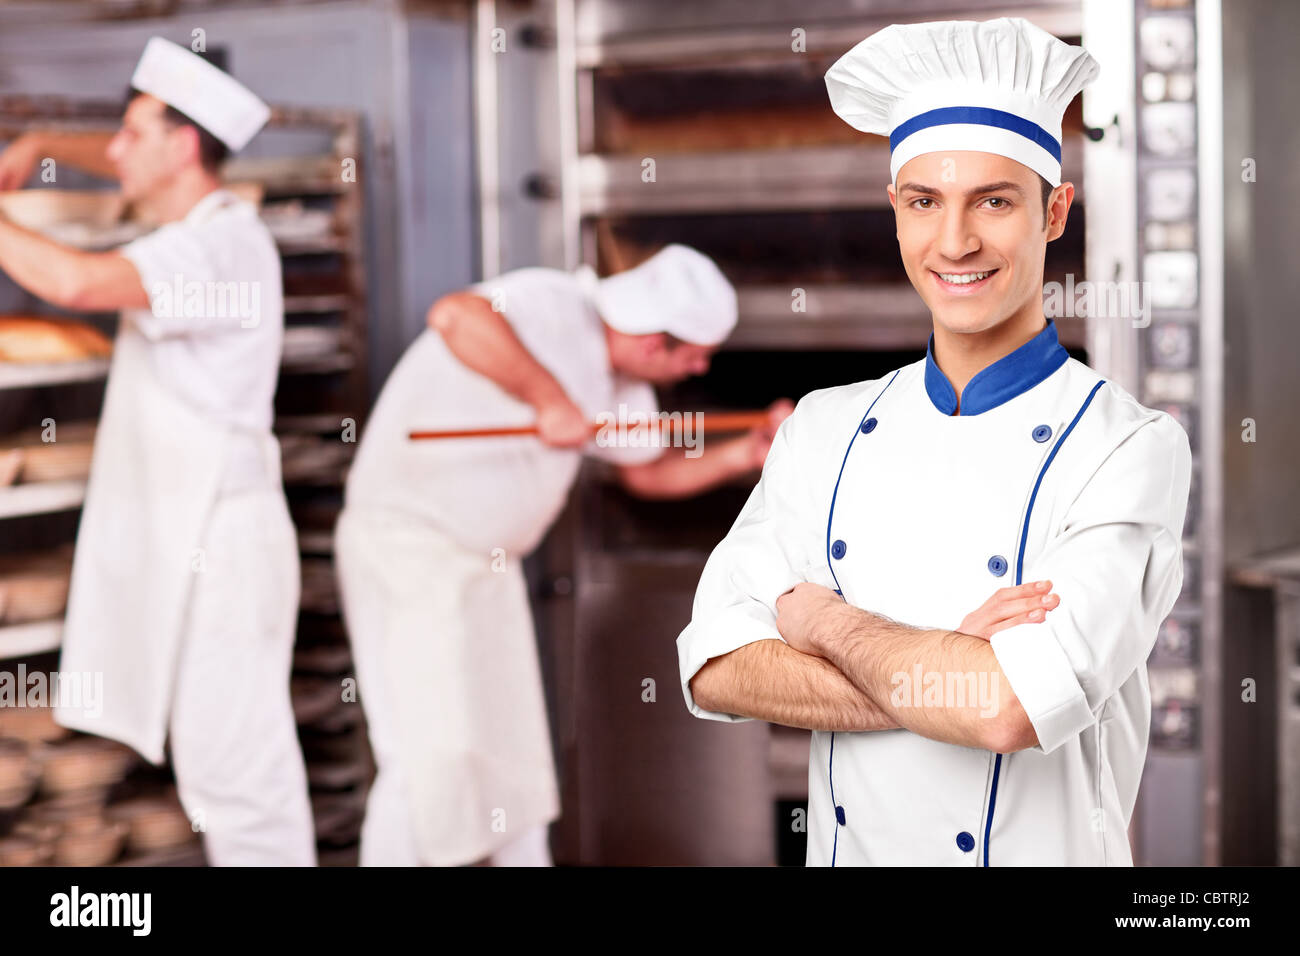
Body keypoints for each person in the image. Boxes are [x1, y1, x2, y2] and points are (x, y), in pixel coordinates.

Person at [677, 17, 1192, 866]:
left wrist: (820, 619)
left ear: (1055, 211)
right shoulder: (824, 428)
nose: (954, 243)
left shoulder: (1128, 449)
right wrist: (949, 655)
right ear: (895, 213)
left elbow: (1006, 711)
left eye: (993, 200)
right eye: (925, 202)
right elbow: (715, 669)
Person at [335, 244, 791, 866]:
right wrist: (548, 397)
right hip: (411, 550)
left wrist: (742, 456)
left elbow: (649, 472)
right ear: (656, 342)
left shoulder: (625, 388)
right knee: (430, 755)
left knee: (511, 756)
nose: (699, 367)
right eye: (695, 353)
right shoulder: (554, 305)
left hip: (483, 571)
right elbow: (456, 316)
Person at [0, 37, 314, 865]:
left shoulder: (217, 250)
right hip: (202, 535)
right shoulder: (206, 222)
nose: (109, 154)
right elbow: (121, 165)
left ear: (182, 146)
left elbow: (73, 285)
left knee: (238, 780)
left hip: (224, 544)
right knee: (221, 765)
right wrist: (36, 148)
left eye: (130, 134)